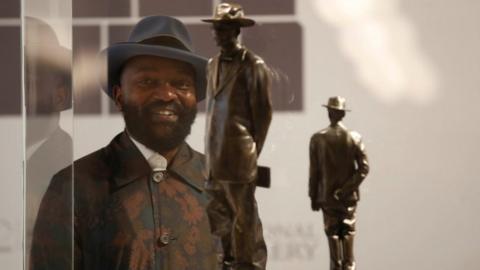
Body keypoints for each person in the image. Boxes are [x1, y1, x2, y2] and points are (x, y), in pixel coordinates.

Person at [30, 15, 221, 270]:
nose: (166, 94)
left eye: (181, 83)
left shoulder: (225, 186)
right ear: (120, 96)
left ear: (195, 97)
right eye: (147, 81)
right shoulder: (72, 188)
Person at [202, 3, 273, 270]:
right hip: (214, 158)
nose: (216, 33)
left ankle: (248, 265)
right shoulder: (212, 65)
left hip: (240, 157)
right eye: (215, 28)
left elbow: (263, 115)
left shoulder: (253, 65)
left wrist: (252, 153)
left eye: (221, 29)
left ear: (234, 31)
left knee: (245, 221)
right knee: (217, 219)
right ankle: (225, 263)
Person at [309, 96, 370, 270]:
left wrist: (313, 197)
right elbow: (364, 169)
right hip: (348, 198)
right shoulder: (355, 138)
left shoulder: (317, 139)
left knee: (333, 236)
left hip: (326, 198)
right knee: (349, 236)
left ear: (329, 112)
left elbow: (315, 173)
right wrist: (346, 189)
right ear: (343, 114)